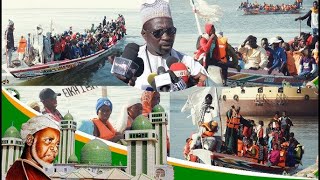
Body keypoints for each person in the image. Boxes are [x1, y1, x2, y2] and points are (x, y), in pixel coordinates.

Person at [133, 0, 208, 90]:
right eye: (158, 32)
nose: (166, 37)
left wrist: (193, 85)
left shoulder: (187, 62)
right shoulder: (132, 64)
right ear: (144, 34)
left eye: (171, 31)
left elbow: (208, 83)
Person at [6, 115, 60, 180]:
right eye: (49, 140)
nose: (55, 149)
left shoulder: (34, 171)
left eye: (57, 144)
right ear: (30, 140)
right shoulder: (22, 172)